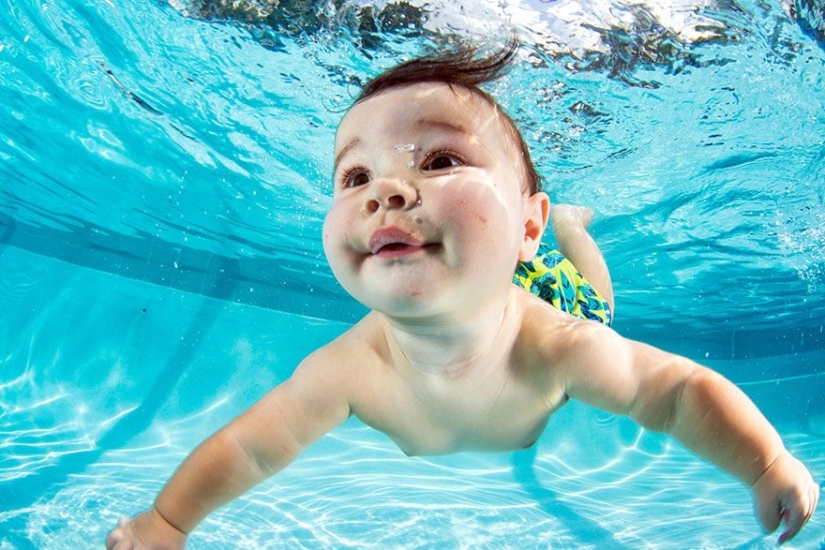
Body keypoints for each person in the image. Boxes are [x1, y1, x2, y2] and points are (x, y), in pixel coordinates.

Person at [106, 41, 818, 549]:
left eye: (441, 159)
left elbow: (674, 394)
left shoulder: (562, 347)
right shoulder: (344, 369)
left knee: (597, 298)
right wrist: (167, 523)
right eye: (354, 177)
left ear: (522, 224)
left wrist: (762, 464)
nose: (384, 189)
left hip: (552, 298)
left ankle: (570, 228)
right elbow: (253, 451)